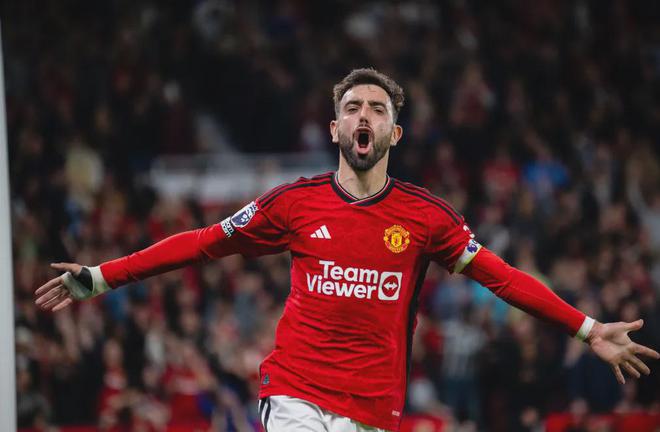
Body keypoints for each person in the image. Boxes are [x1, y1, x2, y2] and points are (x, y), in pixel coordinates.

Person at [35, 68, 659, 432]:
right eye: (353, 108)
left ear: (395, 131)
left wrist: (586, 329)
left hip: (374, 408)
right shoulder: (292, 204)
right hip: (295, 393)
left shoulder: (427, 217)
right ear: (335, 128)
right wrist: (104, 276)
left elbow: (502, 277)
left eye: (377, 109)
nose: (365, 116)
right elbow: (201, 245)